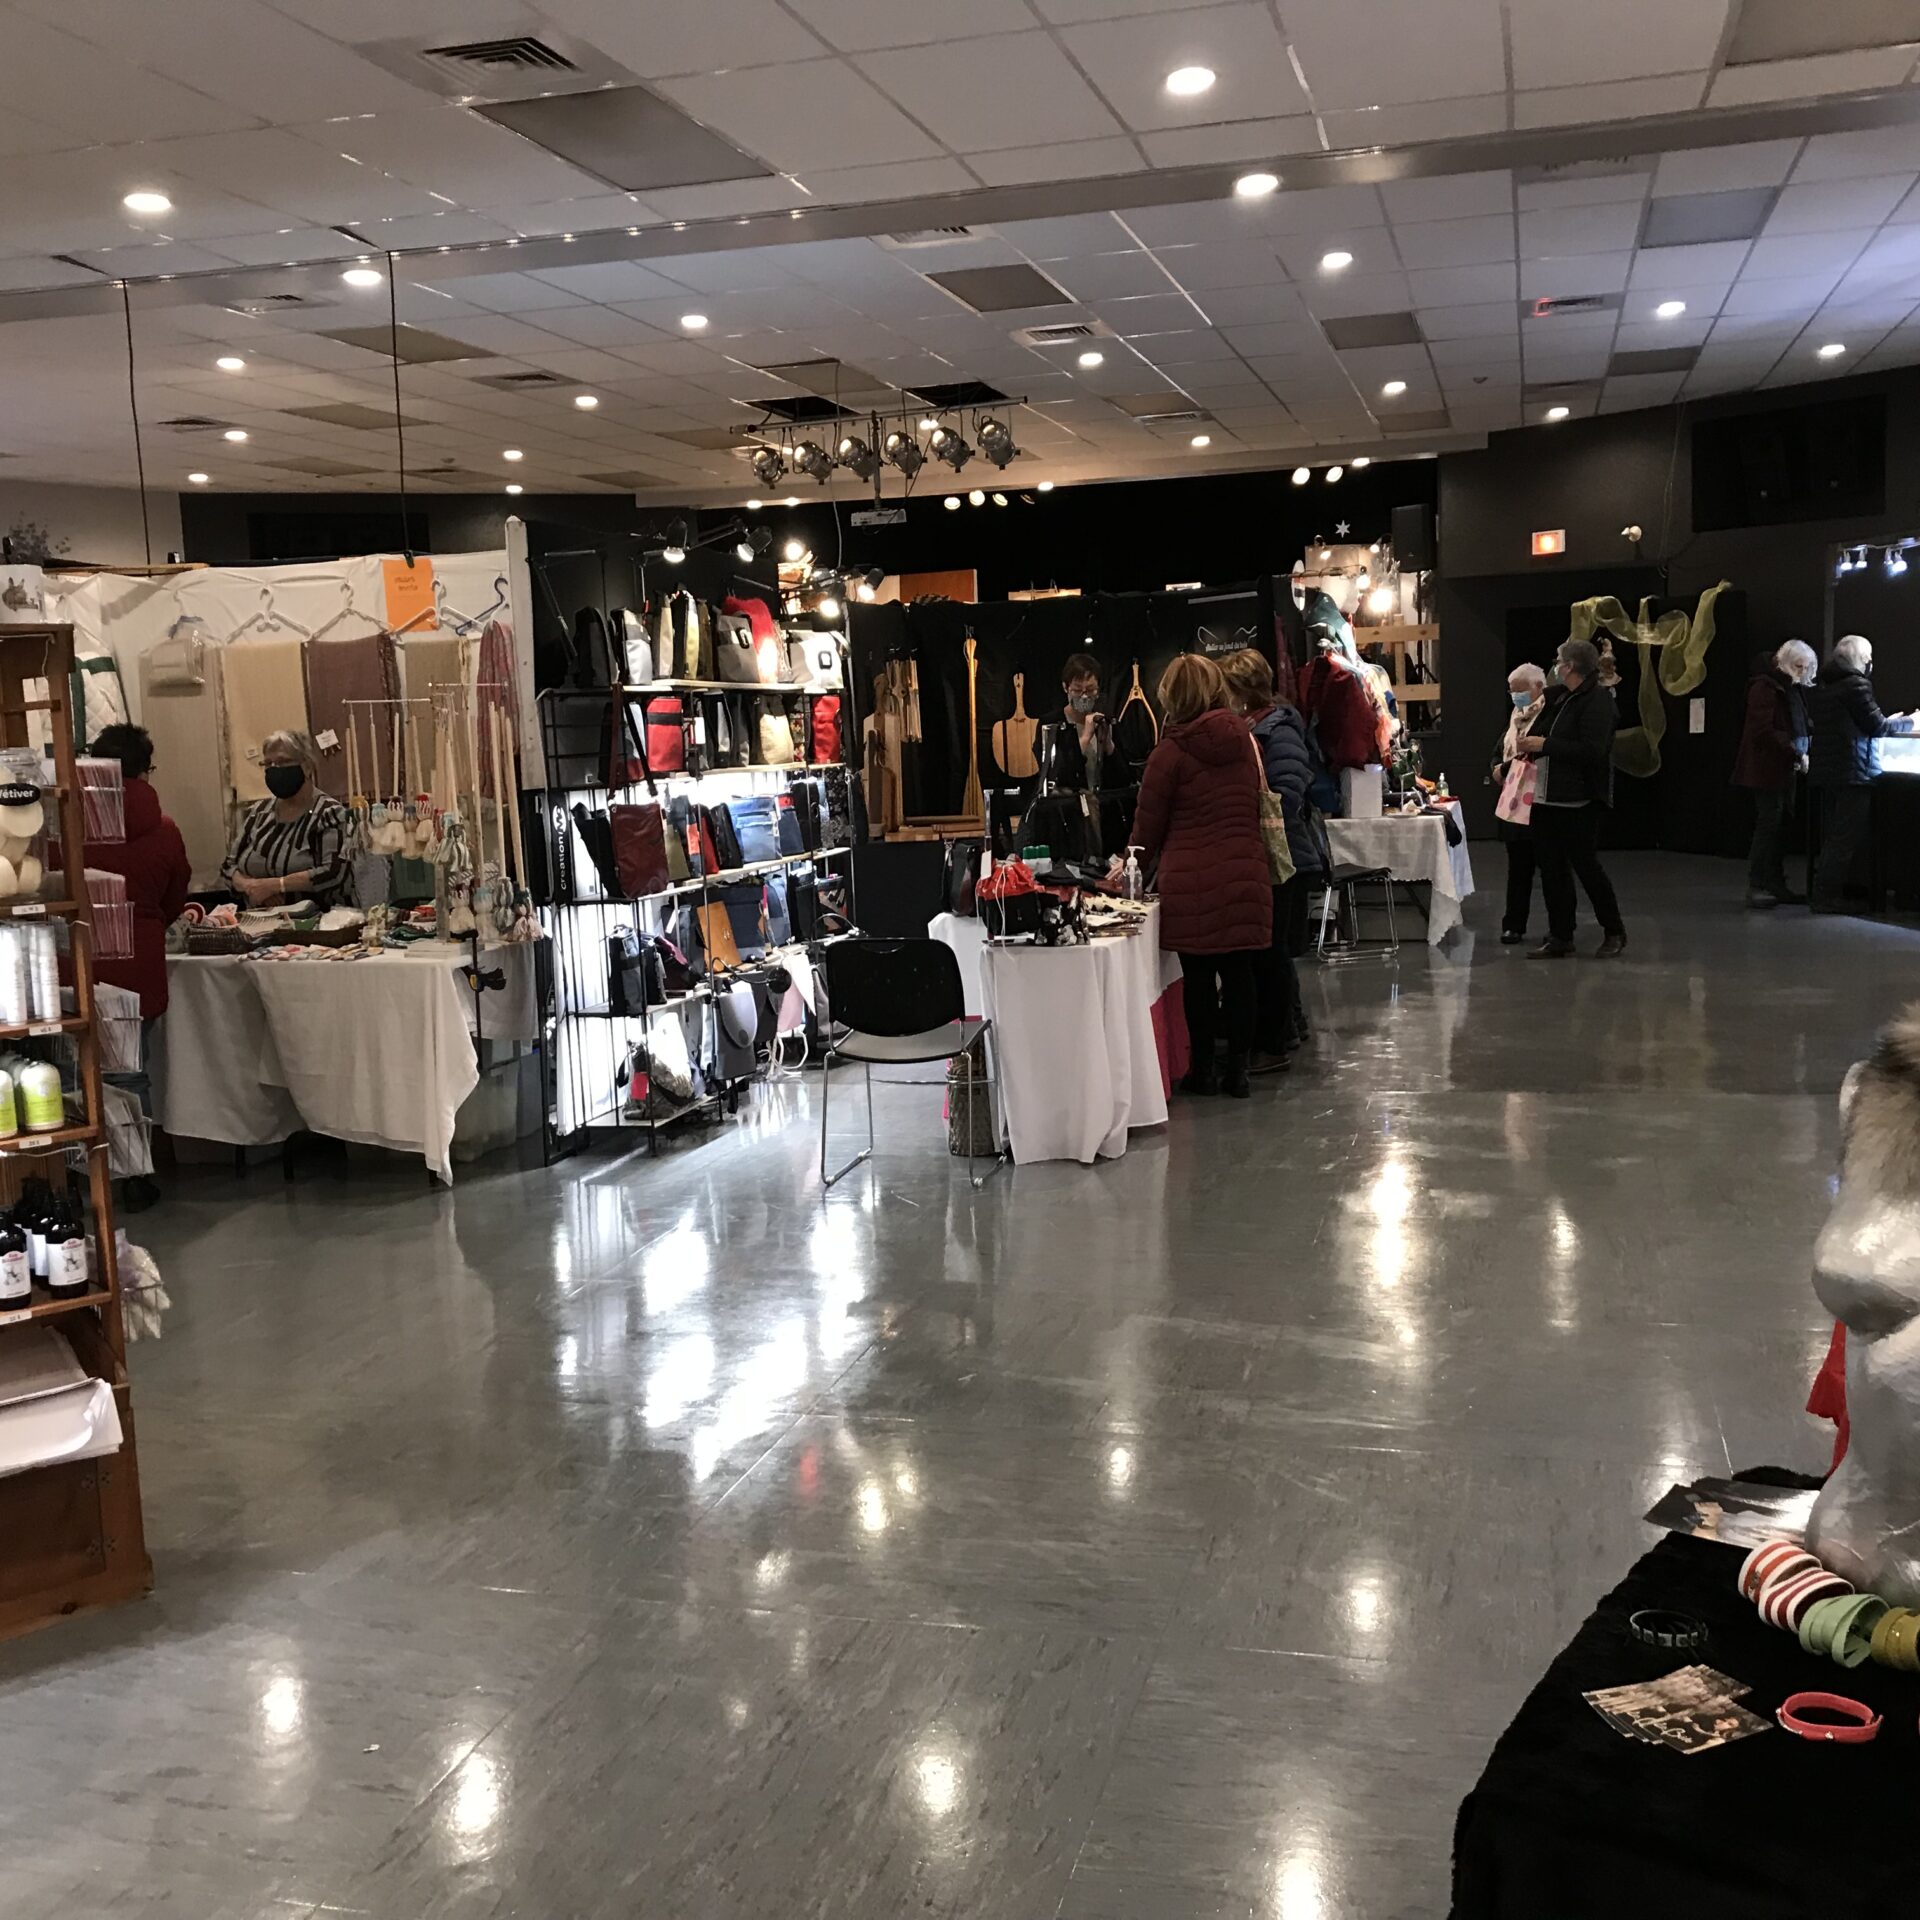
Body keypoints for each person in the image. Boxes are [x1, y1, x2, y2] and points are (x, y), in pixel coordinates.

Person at [1131, 653, 1271, 1099]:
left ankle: (1204, 1071)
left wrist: (1125, 867)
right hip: (1246, 870)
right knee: (1240, 974)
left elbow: (1147, 829)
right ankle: (1240, 1073)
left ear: (1170, 696)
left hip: (1189, 881)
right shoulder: (1246, 741)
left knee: (1198, 981)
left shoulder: (1168, 752)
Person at [86, 725, 190, 1210]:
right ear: (144, 770)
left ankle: (78, 1176)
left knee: (74, 1070)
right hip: (137, 960)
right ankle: (135, 1176)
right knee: (131, 1075)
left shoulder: (67, 824)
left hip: (77, 961)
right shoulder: (164, 830)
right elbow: (174, 898)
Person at [1220, 648, 1318, 1070]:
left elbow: (1287, 793)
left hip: (1283, 856)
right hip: (1277, 854)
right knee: (1271, 950)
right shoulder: (1262, 728)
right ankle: (1290, 1026)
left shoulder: (1278, 732)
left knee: (1270, 951)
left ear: (1241, 692)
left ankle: (1276, 1042)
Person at [1515, 637, 1626, 959]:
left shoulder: (1598, 701)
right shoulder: (1563, 698)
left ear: (1571, 665)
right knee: (1552, 871)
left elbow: (1594, 751)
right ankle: (1561, 935)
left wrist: (1545, 745)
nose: (1556, 666)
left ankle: (1614, 930)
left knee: (1586, 868)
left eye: (1559, 661)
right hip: (1548, 797)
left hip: (1579, 801)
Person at [1807, 634, 1915, 914]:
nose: (1870, 664)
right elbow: (1877, 727)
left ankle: (1823, 892)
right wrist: (1909, 721)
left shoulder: (1825, 685)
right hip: (1852, 772)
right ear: (1860, 660)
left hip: (1828, 772)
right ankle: (1825, 896)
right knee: (1844, 838)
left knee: (1833, 835)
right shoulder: (1856, 685)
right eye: (1868, 659)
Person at [220, 729, 354, 910]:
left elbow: (333, 872)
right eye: (268, 764)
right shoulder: (258, 814)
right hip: (257, 923)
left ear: (306, 766)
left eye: (282, 762)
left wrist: (275, 885)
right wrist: (252, 887)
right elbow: (229, 867)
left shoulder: (329, 813)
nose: (274, 770)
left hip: (314, 925)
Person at [1732, 639, 1815, 909]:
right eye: (1799, 667)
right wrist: (1795, 752)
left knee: (1779, 827)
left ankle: (1774, 883)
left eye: (1806, 668)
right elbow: (1763, 731)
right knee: (1769, 825)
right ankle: (1757, 883)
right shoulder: (1765, 687)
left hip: (1784, 766)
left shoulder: (1789, 687)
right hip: (1767, 768)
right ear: (1786, 663)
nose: (1803, 673)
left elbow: (1796, 723)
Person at [1492, 664, 1546, 945]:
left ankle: (1560, 928)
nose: (1515, 696)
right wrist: (1497, 769)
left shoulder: (1548, 716)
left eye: (1520, 690)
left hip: (1540, 803)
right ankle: (1513, 924)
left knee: (1551, 869)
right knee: (1518, 869)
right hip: (1514, 803)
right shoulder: (1514, 719)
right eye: (1511, 691)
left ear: (1537, 687)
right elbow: (1499, 751)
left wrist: (1508, 766)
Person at [1038, 651, 1132, 797]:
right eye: (1077, 690)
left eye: (1090, 690)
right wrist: (1085, 738)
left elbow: (1124, 778)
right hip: (1067, 810)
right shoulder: (1050, 724)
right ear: (1065, 687)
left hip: (1103, 809)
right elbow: (1055, 777)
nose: (1084, 696)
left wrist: (1108, 745)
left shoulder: (1106, 722)